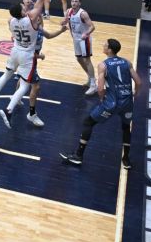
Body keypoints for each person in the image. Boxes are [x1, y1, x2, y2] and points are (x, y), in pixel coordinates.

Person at [0, 0, 59, 128]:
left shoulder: (11, 21)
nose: (24, 7)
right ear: (21, 12)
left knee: (7, 75)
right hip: (27, 55)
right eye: (22, 7)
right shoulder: (31, 19)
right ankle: (9, 110)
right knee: (25, 86)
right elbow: (41, 1)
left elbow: (23, 14)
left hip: (15, 51)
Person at [60, 38, 141, 169]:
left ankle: (78, 156)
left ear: (109, 50)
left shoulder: (103, 65)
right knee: (126, 127)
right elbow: (138, 82)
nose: (103, 46)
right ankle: (126, 159)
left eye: (105, 45)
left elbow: (100, 88)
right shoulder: (127, 62)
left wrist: (102, 98)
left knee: (88, 122)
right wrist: (135, 94)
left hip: (112, 103)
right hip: (127, 102)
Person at [65, 0, 98, 95]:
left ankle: (93, 85)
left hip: (84, 39)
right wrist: (63, 23)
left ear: (79, 3)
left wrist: (86, 33)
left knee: (87, 60)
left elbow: (92, 27)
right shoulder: (69, 11)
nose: (74, 3)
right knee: (79, 59)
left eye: (76, 1)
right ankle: (90, 78)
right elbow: (66, 21)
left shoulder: (83, 14)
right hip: (76, 39)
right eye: (72, 1)